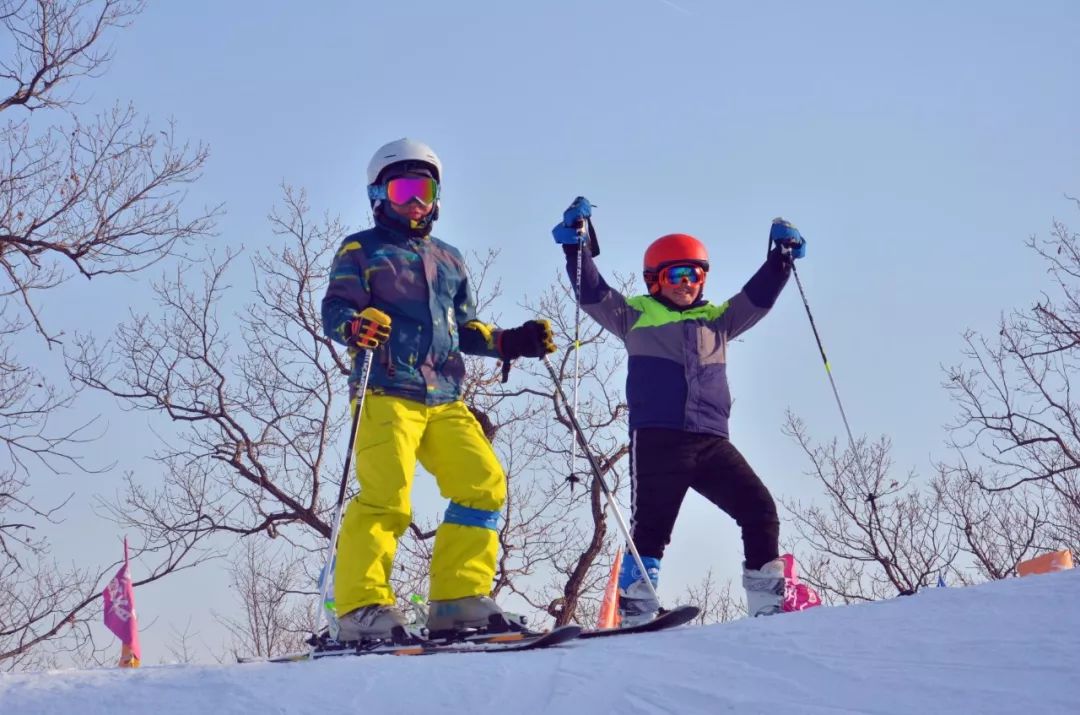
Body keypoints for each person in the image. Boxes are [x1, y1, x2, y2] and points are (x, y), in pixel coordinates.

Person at [320, 138, 556, 640]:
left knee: (483, 481)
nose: (414, 200)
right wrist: (356, 326)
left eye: (423, 188)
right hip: (385, 387)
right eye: (403, 188)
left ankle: (457, 599)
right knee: (387, 499)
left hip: (444, 394)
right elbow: (336, 309)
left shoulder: (448, 259)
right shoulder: (362, 249)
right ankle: (361, 607)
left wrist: (511, 341)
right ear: (378, 194)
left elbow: (464, 328)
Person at [551, 197, 807, 624]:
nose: (686, 283)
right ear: (655, 280)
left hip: (711, 440)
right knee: (652, 527)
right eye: (676, 275)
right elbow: (591, 292)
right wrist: (574, 247)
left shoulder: (719, 320)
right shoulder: (635, 315)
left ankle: (767, 605)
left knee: (759, 509)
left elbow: (757, 299)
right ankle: (637, 608)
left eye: (694, 274)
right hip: (659, 438)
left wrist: (781, 260)